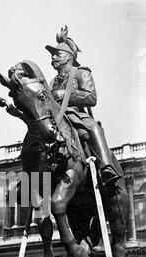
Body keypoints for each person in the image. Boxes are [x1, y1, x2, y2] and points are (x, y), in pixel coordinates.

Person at [45, 25, 122, 186]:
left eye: (57, 54)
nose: (53, 58)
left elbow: (91, 97)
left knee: (94, 128)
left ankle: (106, 167)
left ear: (69, 56)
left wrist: (65, 95)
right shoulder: (52, 82)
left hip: (76, 115)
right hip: (56, 118)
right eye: (52, 56)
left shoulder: (81, 73)